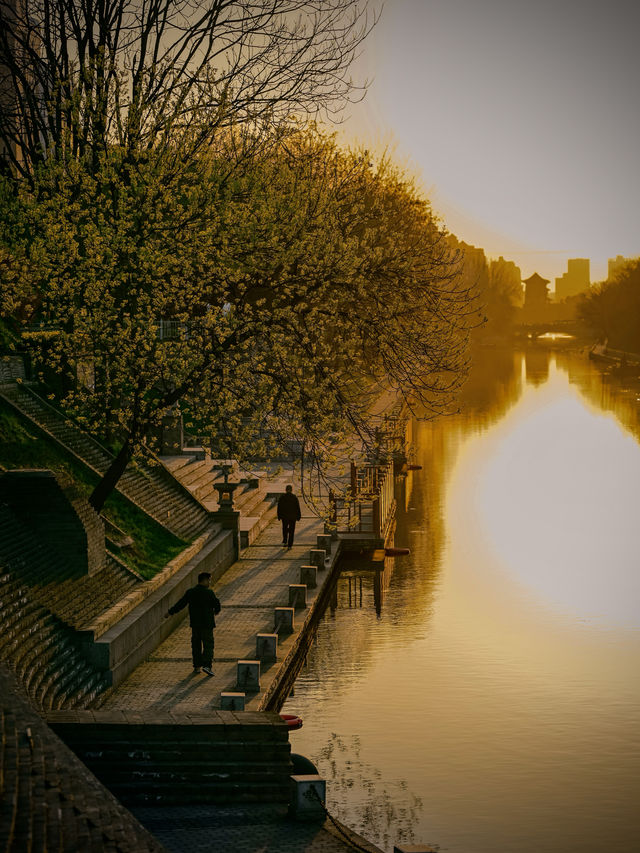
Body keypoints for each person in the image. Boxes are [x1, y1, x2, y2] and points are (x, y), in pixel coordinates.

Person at [165, 571, 221, 676]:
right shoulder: (209, 593)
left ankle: (197, 666)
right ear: (204, 580)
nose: (210, 582)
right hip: (207, 624)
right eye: (209, 580)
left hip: (195, 624)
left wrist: (170, 612)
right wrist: (216, 611)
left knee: (196, 645)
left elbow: (181, 604)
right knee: (208, 645)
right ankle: (207, 665)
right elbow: (217, 604)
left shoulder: (190, 592)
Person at [277, 484, 301, 549]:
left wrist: (279, 516)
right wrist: (298, 516)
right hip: (292, 517)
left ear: (286, 490)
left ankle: (285, 541)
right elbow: (297, 507)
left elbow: (279, 507)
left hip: (284, 517)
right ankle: (290, 545)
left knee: (284, 529)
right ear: (291, 490)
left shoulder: (282, 497)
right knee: (291, 531)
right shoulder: (294, 497)